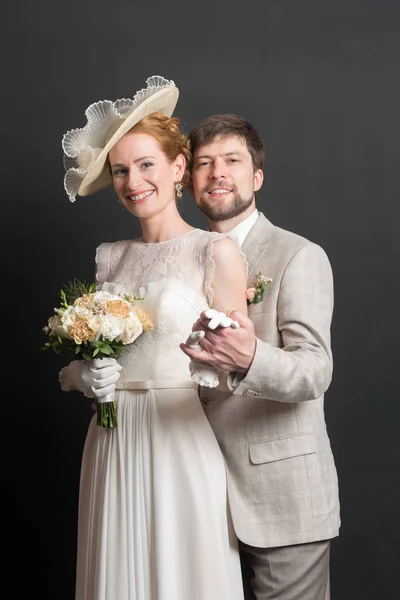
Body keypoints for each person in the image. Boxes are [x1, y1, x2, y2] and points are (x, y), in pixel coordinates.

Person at [58, 77, 248, 600]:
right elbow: (86, 355)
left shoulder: (216, 252)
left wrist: (210, 361)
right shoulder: (110, 257)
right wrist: (83, 375)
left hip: (178, 436)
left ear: (178, 168)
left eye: (146, 165)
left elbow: (238, 365)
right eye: (121, 170)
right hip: (111, 438)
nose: (133, 181)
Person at [180, 113, 340, 600]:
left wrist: (251, 358)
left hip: (282, 493)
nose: (217, 173)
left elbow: (315, 371)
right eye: (204, 163)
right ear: (189, 182)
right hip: (193, 490)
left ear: (257, 176)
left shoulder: (298, 255)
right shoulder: (180, 257)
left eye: (232, 160)